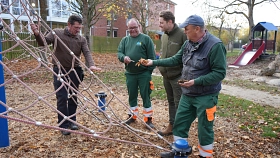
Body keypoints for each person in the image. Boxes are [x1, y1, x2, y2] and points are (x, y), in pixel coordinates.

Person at [143, 15, 227, 158]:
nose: (184, 31)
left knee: (205, 128)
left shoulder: (215, 45)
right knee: (180, 123)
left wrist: (196, 81)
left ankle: (204, 155)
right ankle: (179, 152)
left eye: (187, 29)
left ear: (197, 29)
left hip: (206, 95)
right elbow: (176, 59)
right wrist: (154, 62)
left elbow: (219, 73)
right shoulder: (188, 43)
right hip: (188, 94)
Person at [30, 14, 101, 135]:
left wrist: (91, 65)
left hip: (74, 71)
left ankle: (72, 121)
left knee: (73, 96)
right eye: (76, 27)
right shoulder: (57, 33)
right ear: (69, 25)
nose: (78, 30)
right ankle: (63, 124)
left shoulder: (81, 39)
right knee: (62, 97)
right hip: (60, 71)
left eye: (80, 28)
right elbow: (44, 42)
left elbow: (87, 52)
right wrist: (37, 33)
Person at [117, 18, 156, 128]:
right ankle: (132, 116)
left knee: (145, 95)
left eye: (135, 27)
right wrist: (123, 57)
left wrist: (148, 72)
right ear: (128, 29)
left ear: (139, 26)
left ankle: (148, 119)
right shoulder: (125, 40)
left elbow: (152, 58)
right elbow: (119, 53)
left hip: (144, 73)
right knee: (132, 95)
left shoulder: (146, 39)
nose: (133, 30)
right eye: (130, 28)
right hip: (130, 73)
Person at [157, 10, 187, 136]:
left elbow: (187, 56)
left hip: (177, 76)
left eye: (161, 22)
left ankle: (180, 131)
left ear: (170, 22)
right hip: (166, 76)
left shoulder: (182, 34)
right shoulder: (164, 35)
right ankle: (171, 125)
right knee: (170, 101)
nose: (160, 25)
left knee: (179, 103)